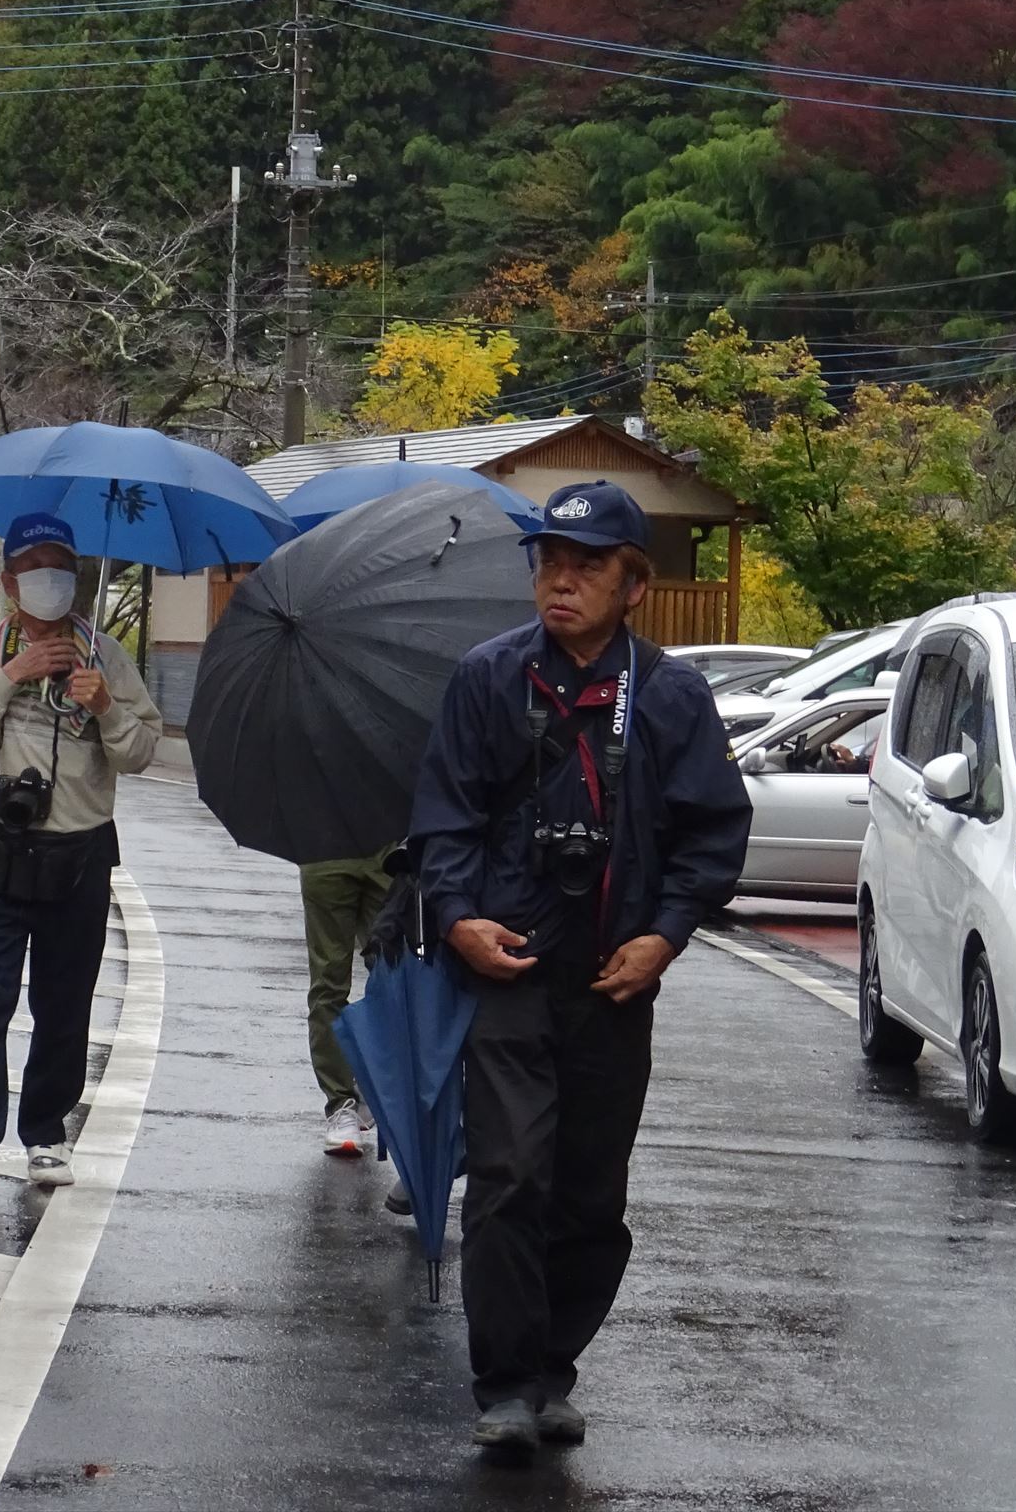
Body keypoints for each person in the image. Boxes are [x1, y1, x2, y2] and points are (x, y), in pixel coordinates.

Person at [407, 480, 751, 1461]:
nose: (561, 579)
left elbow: (713, 828)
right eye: (550, 560)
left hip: (613, 979)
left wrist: (669, 932)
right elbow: (444, 817)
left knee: (590, 1190)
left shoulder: (672, 693)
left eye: (587, 565)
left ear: (633, 584)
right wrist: (461, 916)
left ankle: (555, 1365)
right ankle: (506, 1382)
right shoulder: (488, 678)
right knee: (510, 1175)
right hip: (508, 969)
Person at [0, 514, 162, 1192]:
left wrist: (106, 708)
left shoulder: (106, 656)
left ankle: (45, 1135)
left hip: (79, 856)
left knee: (65, 1003)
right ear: (9, 583)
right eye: (34, 569)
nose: (50, 581)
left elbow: (142, 751)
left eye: (62, 568)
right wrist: (10, 676)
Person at [301, 850, 394, 1154]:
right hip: (325, 851)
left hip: (390, 848)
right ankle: (341, 1103)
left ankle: (371, 1088)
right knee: (329, 982)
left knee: (393, 976)